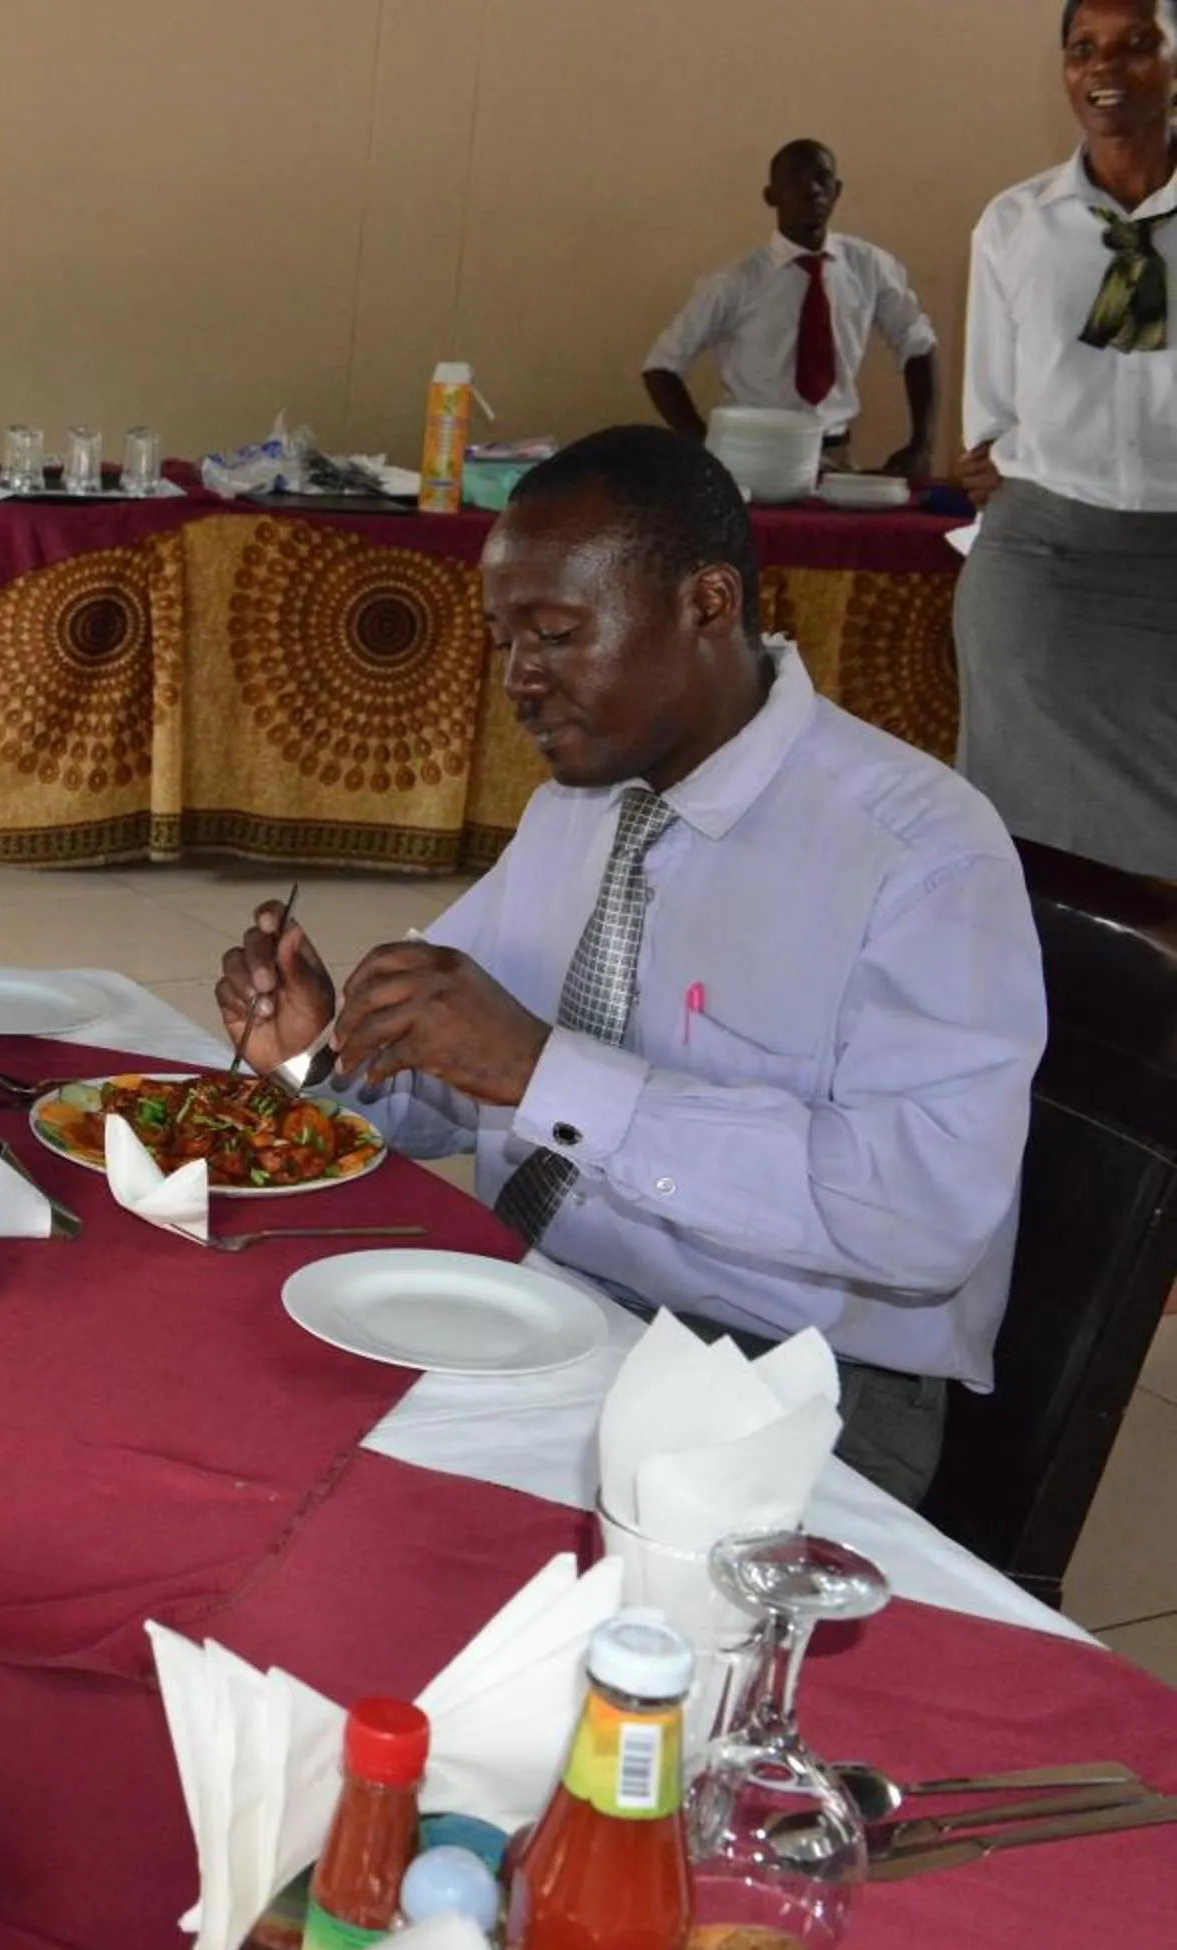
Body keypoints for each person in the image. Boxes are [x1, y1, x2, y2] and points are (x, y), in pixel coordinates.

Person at [217, 427, 1045, 1506]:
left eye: (556, 635)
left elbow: (924, 1219)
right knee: (230, 1409)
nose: (518, 681)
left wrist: (545, 1073)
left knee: (380, 1531)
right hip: (548, 1293)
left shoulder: (919, 856)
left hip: (788, 1378)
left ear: (706, 604)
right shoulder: (580, 801)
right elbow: (454, 1080)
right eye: (504, 639)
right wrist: (327, 1052)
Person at [954, 0, 1177, 880]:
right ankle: (1043, 992)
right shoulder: (1016, 223)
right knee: (1025, 819)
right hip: (1046, 556)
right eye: (1083, 49)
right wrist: (991, 462)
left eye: (1137, 45)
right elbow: (991, 409)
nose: (1105, 67)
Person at [643, 139, 941, 478]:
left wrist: (923, 443)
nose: (811, 189)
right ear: (771, 196)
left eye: (822, 179)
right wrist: (705, 450)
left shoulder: (869, 266)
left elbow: (917, 344)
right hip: (752, 458)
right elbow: (661, 367)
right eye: (795, 179)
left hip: (836, 456)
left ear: (837, 191)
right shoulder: (736, 281)